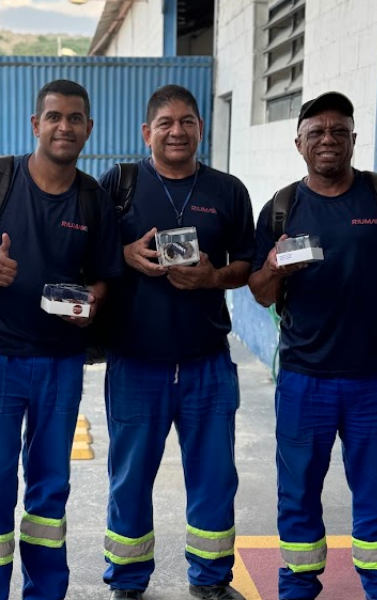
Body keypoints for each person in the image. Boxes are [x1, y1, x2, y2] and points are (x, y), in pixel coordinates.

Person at [0, 79, 123, 600]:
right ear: (36, 124)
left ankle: (45, 592)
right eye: (53, 117)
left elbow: (106, 277)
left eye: (74, 118)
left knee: (50, 491)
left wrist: (90, 303)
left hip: (61, 363)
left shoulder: (93, 199)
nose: (63, 127)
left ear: (88, 128)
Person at [98, 84, 255, 600]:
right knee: (129, 478)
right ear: (147, 132)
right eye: (165, 123)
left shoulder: (228, 190)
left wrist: (213, 277)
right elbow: (87, 251)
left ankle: (210, 580)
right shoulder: (119, 184)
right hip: (135, 361)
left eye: (187, 121)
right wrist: (123, 254)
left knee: (214, 477)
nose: (177, 131)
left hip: (206, 360)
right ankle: (127, 581)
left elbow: (247, 265)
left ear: (200, 129)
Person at [249, 91, 377, 600]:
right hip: (304, 377)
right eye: (316, 132)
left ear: (354, 139)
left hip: (375, 378)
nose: (327, 139)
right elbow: (260, 291)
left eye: (338, 131)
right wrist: (274, 267)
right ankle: (297, 587)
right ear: (299, 144)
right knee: (298, 494)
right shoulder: (282, 208)